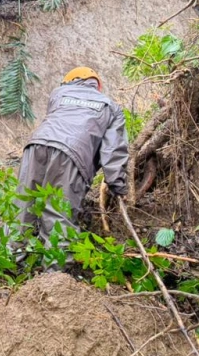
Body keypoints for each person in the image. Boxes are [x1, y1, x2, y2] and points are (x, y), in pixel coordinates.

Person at [13, 67, 129, 244]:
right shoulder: (110, 107)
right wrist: (117, 185)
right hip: (72, 155)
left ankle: (11, 257)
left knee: (22, 207)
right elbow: (112, 150)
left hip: (35, 146)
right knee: (58, 215)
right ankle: (55, 262)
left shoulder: (58, 94)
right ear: (97, 86)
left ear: (69, 82)